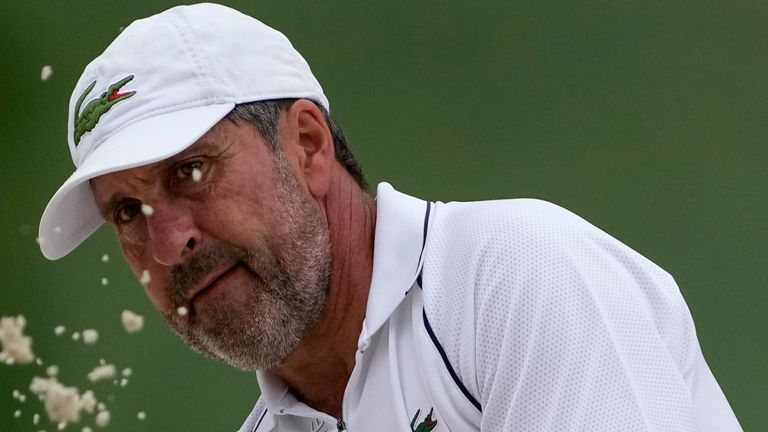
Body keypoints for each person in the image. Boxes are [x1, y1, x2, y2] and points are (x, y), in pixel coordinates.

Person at [39, 3, 742, 431]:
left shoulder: (513, 275)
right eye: (128, 211)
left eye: (191, 171)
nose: (166, 245)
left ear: (308, 146)